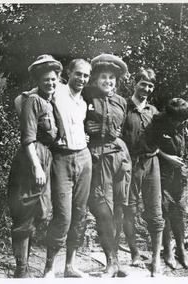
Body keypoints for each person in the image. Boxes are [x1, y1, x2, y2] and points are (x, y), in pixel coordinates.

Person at [8, 54, 63, 278]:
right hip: (31, 159)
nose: (50, 83)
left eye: (54, 79)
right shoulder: (33, 101)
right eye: (46, 79)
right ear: (38, 81)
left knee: (41, 211)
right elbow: (28, 138)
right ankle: (21, 270)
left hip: (46, 156)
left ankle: (24, 264)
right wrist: (37, 167)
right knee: (25, 210)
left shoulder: (52, 103)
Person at [42, 59, 93, 278]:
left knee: (80, 214)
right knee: (62, 215)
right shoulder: (57, 90)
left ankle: (70, 266)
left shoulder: (83, 102)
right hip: (61, 159)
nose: (82, 79)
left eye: (86, 76)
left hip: (83, 157)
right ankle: (49, 268)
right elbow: (23, 100)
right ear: (69, 73)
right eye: (79, 74)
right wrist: (47, 136)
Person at [83, 54, 132, 277]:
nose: (108, 81)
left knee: (120, 209)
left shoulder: (122, 101)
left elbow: (128, 129)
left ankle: (116, 261)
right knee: (103, 210)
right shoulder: (86, 95)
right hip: (96, 156)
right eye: (103, 77)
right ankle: (110, 261)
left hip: (119, 158)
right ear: (95, 78)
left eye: (112, 78)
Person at [122, 68, 165, 277]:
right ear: (135, 83)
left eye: (150, 86)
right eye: (143, 84)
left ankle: (156, 260)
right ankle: (134, 253)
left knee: (155, 213)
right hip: (128, 165)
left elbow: (170, 131)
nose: (146, 89)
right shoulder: (123, 107)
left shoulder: (154, 111)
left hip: (151, 164)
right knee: (128, 210)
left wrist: (187, 131)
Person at [152, 98, 188, 270]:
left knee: (179, 209)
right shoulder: (158, 121)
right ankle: (167, 250)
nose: (180, 123)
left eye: (183, 121)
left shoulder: (186, 119)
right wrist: (167, 157)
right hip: (162, 171)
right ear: (169, 116)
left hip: (179, 172)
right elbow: (150, 145)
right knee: (165, 209)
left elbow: (187, 140)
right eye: (177, 121)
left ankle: (181, 250)